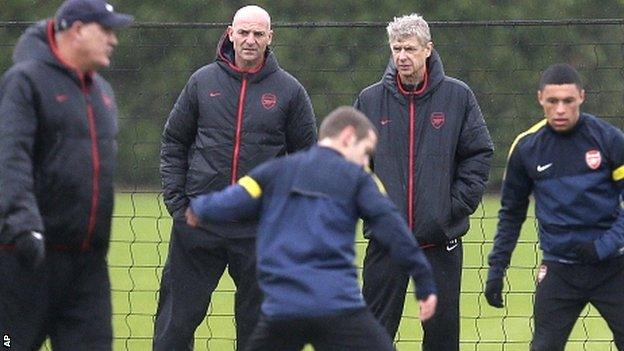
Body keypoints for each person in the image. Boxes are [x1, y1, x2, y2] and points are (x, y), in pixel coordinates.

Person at [186, 106, 437, 351]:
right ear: (348, 136)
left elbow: (231, 200)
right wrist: (423, 279)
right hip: (337, 306)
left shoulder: (275, 171)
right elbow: (394, 230)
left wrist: (199, 209)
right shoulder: (359, 179)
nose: (365, 161)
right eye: (365, 152)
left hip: (282, 310)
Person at [153, 5, 318, 350]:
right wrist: (177, 203)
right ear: (230, 32)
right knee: (175, 324)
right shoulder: (201, 82)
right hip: (199, 221)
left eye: (258, 34)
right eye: (243, 32)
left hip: (259, 230)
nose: (250, 40)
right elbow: (174, 141)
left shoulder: (290, 91)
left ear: (270, 38)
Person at [354, 13, 494, 350]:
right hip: (386, 245)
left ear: (428, 49)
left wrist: (452, 208)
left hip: (440, 245)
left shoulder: (458, 96)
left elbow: (479, 152)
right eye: (396, 48)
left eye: (410, 49)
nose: (402, 56)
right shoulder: (370, 100)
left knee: (442, 339)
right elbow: (351, 161)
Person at [0, 0, 133, 349]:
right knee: (10, 342)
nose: (113, 40)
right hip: (27, 257)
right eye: (105, 31)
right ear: (76, 30)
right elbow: (10, 156)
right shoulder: (25, 81)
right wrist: (23, 223)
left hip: (87, 264)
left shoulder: (102, 92)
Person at [485, 63, 624, 350]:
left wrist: (603, 246)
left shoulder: (610, 140)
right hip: (559, 269)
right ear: (540, 99)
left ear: (581, 98)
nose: (560, 109)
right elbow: (511, 213)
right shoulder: (527, 148)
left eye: (568, 101)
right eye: (553, 101)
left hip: (613, 266)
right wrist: (497, 268)